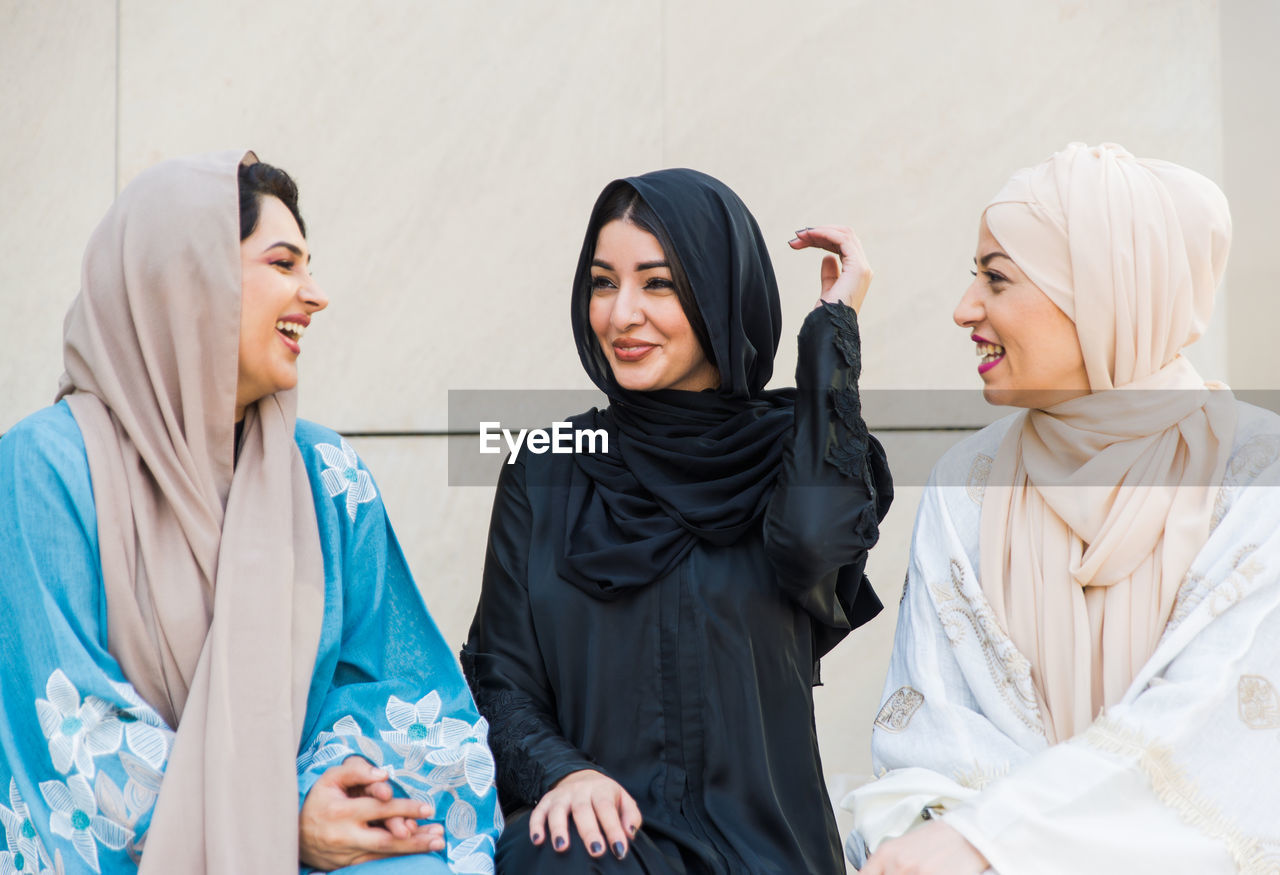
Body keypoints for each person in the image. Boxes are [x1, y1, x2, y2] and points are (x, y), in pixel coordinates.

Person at [0, 151, 500, 874]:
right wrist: (281, 819)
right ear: (189, 280)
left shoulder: (326, 478)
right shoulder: (44, 468)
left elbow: (398, 689)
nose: (315, 294)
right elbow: (73, 741)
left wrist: (329, 797)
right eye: (284, 263)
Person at [844, 143, 1280, 874]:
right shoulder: (969, 481)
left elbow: (1220, 743)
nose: (964, 309)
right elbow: (928, 741)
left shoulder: (1253, 477)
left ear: (1102, 292)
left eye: (997, 279)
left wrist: (999, 839)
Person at [462, 168, 893, 873]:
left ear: (721, 293)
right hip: (597, 852)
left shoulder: (802, 453)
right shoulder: (547, 466)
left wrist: (831, 337)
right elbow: (501, 679)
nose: (621, 313)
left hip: (764, 855)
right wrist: (565, 774)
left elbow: (814, 550)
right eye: (603, 283)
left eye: (657, 283)